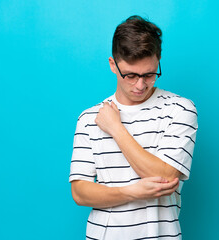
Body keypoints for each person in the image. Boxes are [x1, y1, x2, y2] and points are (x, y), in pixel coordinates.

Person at [69, 15, 198, 240]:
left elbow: (165, 178)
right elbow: (80, 192)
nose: (140, 85)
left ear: (158, 61)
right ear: (113, 65)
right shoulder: (89, 118)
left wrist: (116, 129)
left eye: (149, 74)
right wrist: (131, 192)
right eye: (130, 75)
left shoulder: (180, 109)